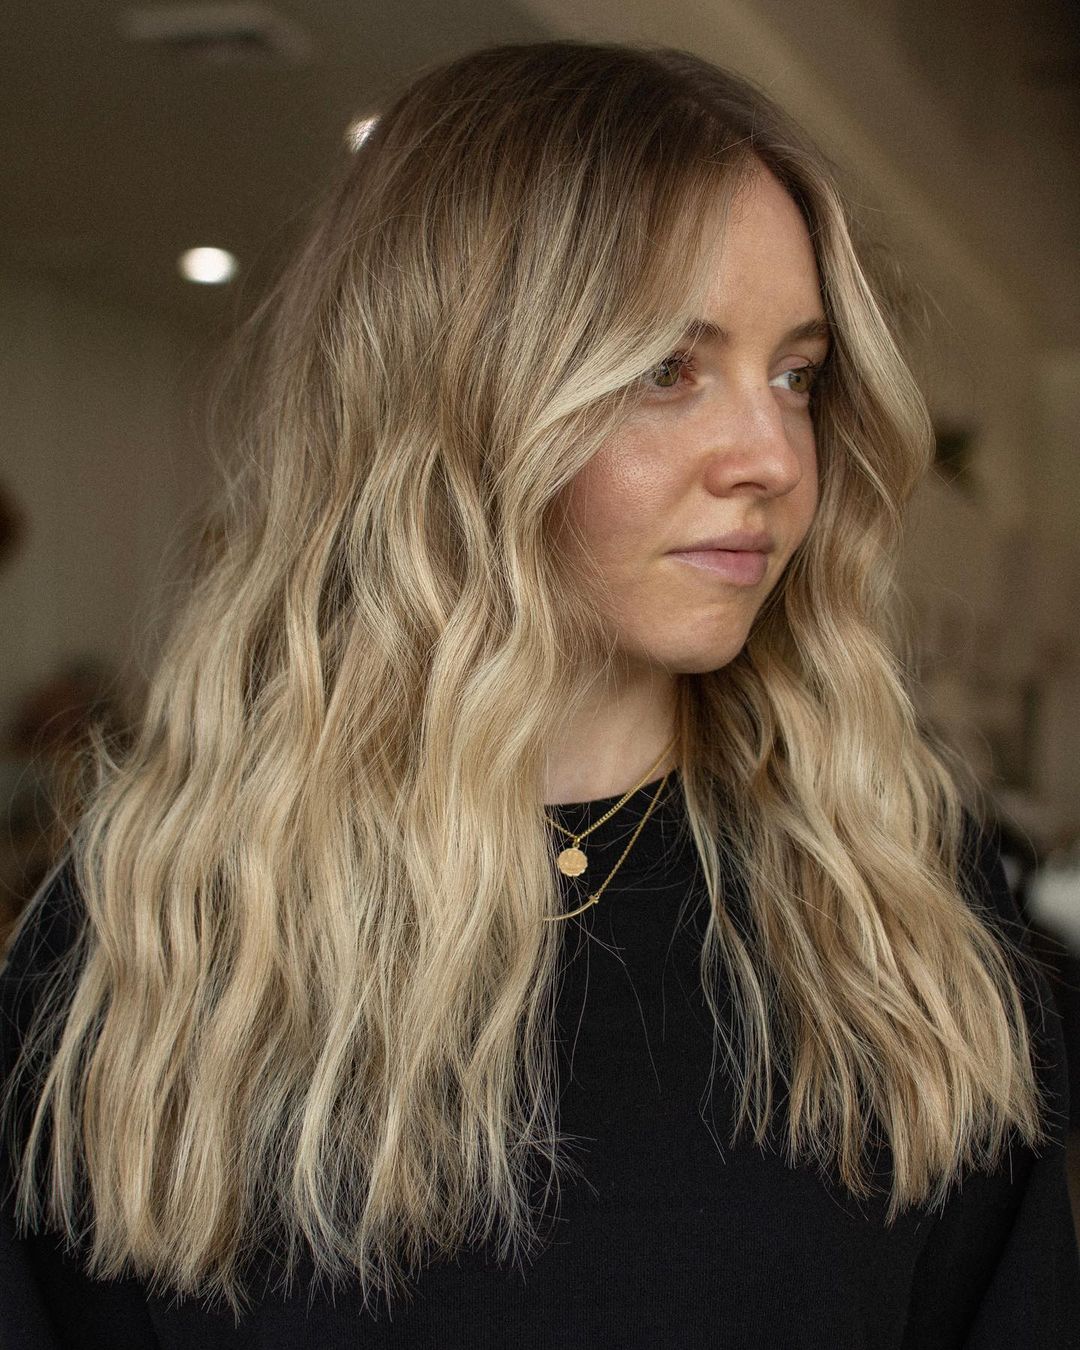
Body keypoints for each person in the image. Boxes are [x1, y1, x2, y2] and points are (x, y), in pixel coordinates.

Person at [2, 38, 1078, 1349]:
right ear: (458, 398)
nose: (772, 456)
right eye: (667, 368)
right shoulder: (163, 928)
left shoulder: (895, 909)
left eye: (796, 376)